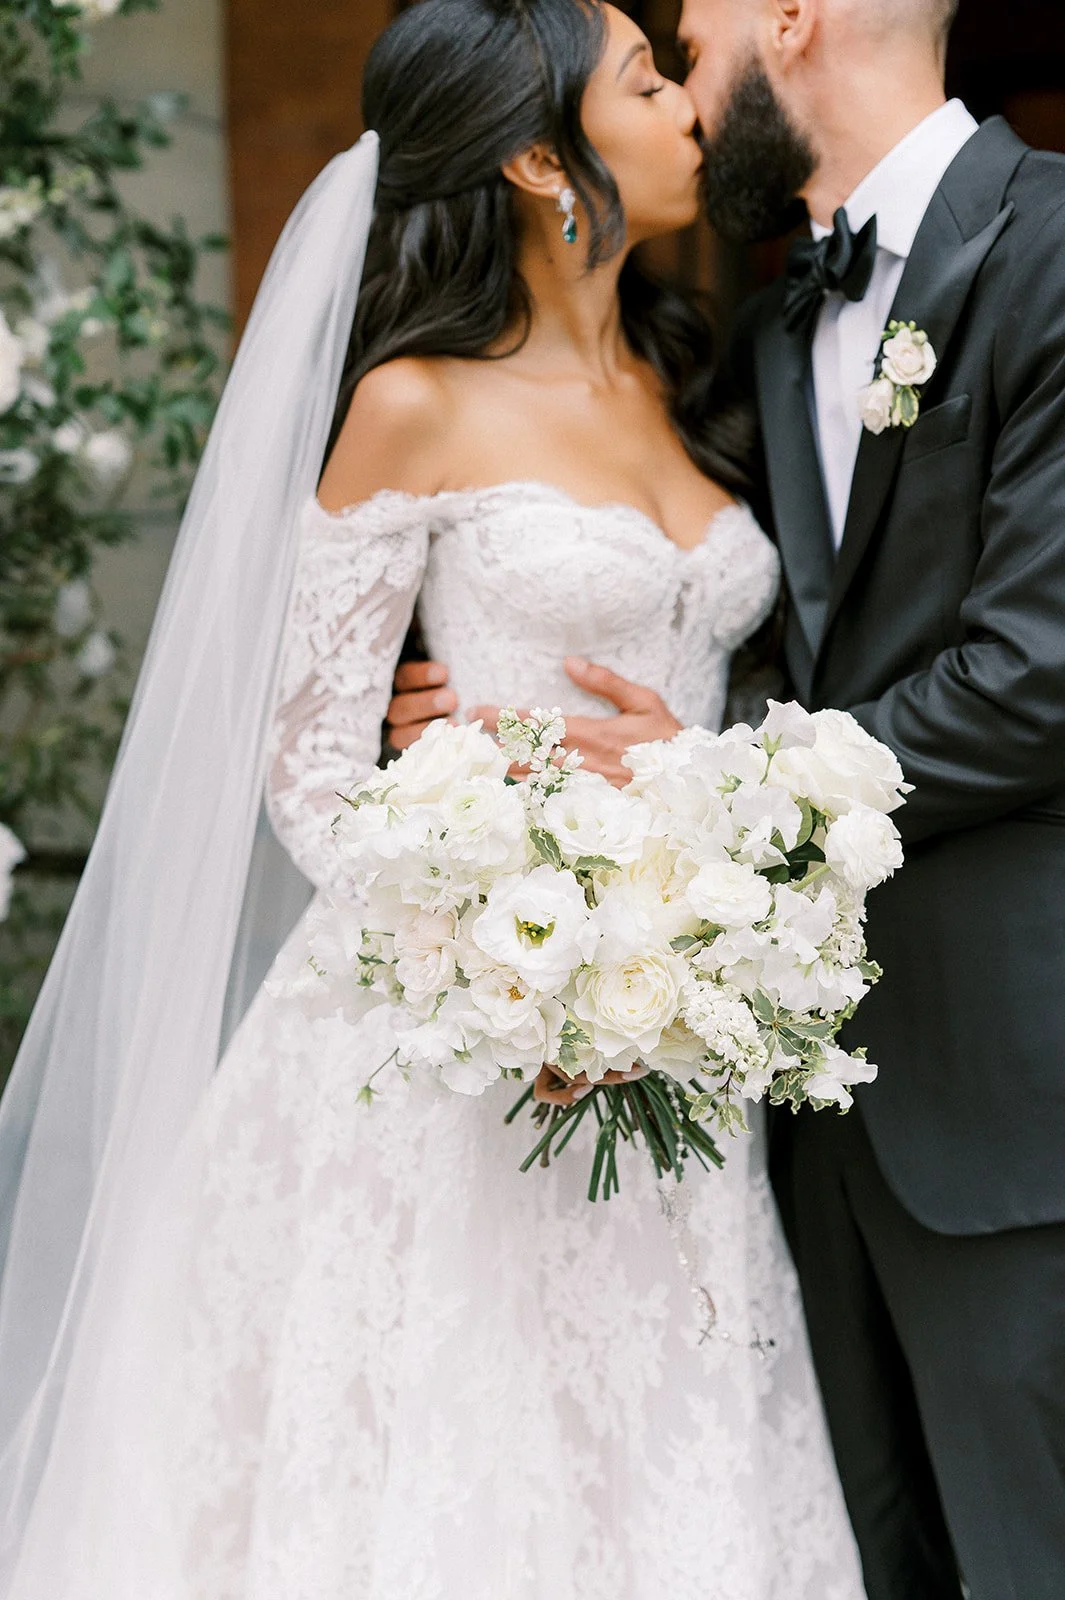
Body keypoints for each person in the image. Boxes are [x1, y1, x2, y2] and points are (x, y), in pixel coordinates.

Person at [0, 3, 867, 1596]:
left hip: (679, 1029)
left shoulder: (696, 371)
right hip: (476, 1045)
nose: (689, 104)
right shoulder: (416, 402)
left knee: (670, 1453)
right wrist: (514, 974)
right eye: (646, 79)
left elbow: (732, 694)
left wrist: (700, 825)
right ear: (544, 157)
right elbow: (316, 776)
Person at [392, 1, 1065, 1596]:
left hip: (1008, 1097)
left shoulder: (1053, 250)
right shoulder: (765, 333)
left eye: (684, 47)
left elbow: (1039, 673)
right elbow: (745, 641)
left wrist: (717, 779)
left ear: (793, 19)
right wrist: (462, 731)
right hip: (776, 1118)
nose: (688, 92)